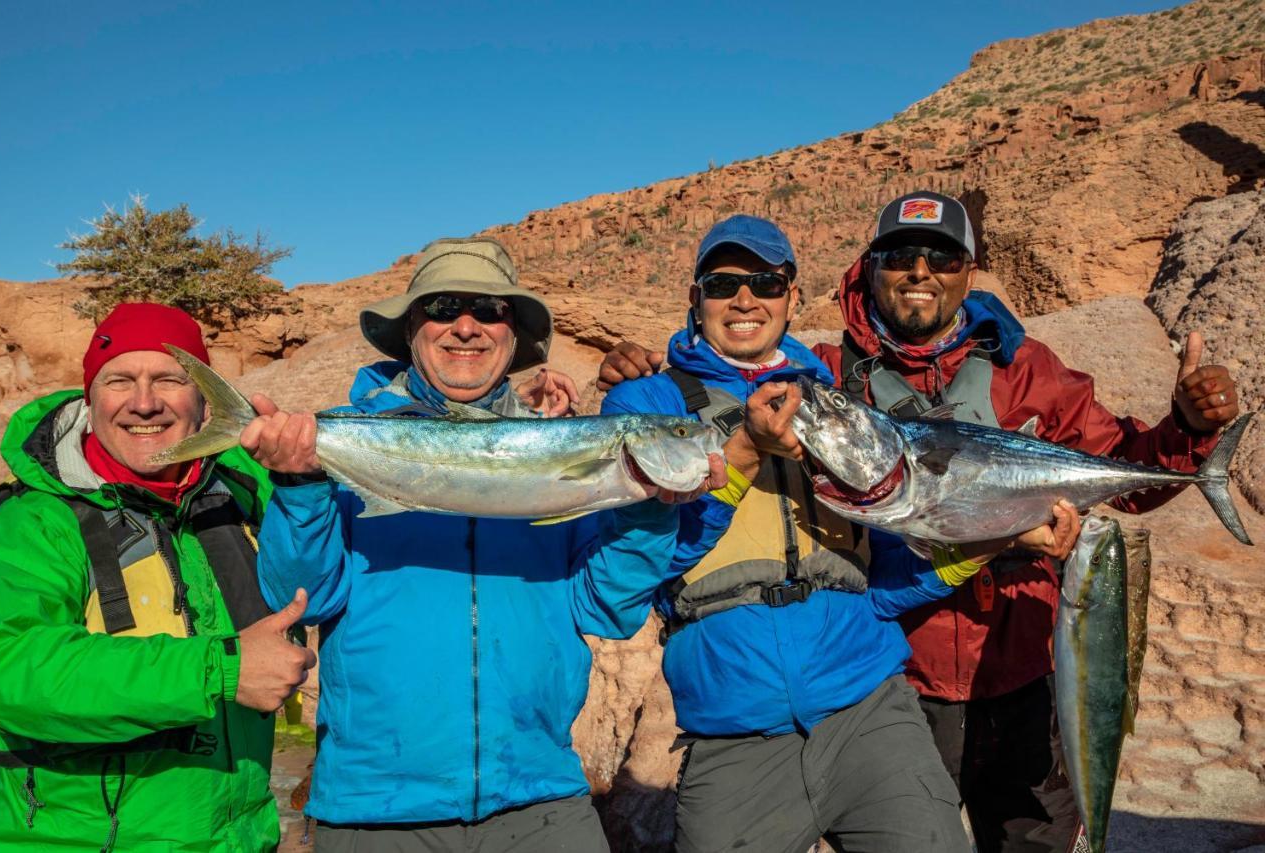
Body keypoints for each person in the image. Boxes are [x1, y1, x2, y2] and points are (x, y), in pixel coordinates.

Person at [595, 215, 1079, 853]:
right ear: (697, 299)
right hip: (733, 731)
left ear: (792, 298)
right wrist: (741, 457)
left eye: (766, 283)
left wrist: (995, 542)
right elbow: (642, 572)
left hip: (872, 714)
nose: (745, 300)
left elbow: (879, 584)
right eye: (723, 283)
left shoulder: (839, 406)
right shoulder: (644, 407)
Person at [242, 236, 724, 853]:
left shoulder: (565, 451)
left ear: (513, 334)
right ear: (411, 328)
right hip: (374, 807)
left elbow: (607, 609)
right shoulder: (343, 439)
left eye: (490, 310)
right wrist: (299, 486)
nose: (465, 327)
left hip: (541, 798)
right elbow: (301, 599)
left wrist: (653, 512)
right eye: (442, 308)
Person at [809, 190, 1241, 852]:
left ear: (970, 271)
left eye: (943, 258)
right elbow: (733, 385)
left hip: (1026, 670)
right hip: (890, 676)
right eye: (901, 255)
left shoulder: (1026, 366)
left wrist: (1185, 429)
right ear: (870, 266)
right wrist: (642, 377)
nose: (921, 270)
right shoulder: (830, 374)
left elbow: (1122, 477)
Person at [0, 302, 315, 851]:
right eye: (120, 381)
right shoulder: (36, 522)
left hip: (238, 837)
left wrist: (303, 487)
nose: (144, 403)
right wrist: (220, 671)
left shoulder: (247, 496)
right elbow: (4, 666)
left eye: (168, 379)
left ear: (203, 403)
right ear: (90, 401)